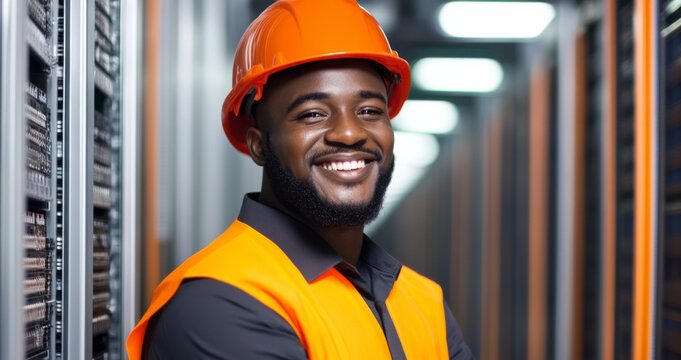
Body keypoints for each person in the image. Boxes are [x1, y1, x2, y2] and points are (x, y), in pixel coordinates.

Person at [126, 0, 473, 358]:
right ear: (259, 145)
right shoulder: (218, 302)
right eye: (312, 114)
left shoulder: (421, 300)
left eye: (370, 111)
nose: (350, 133)